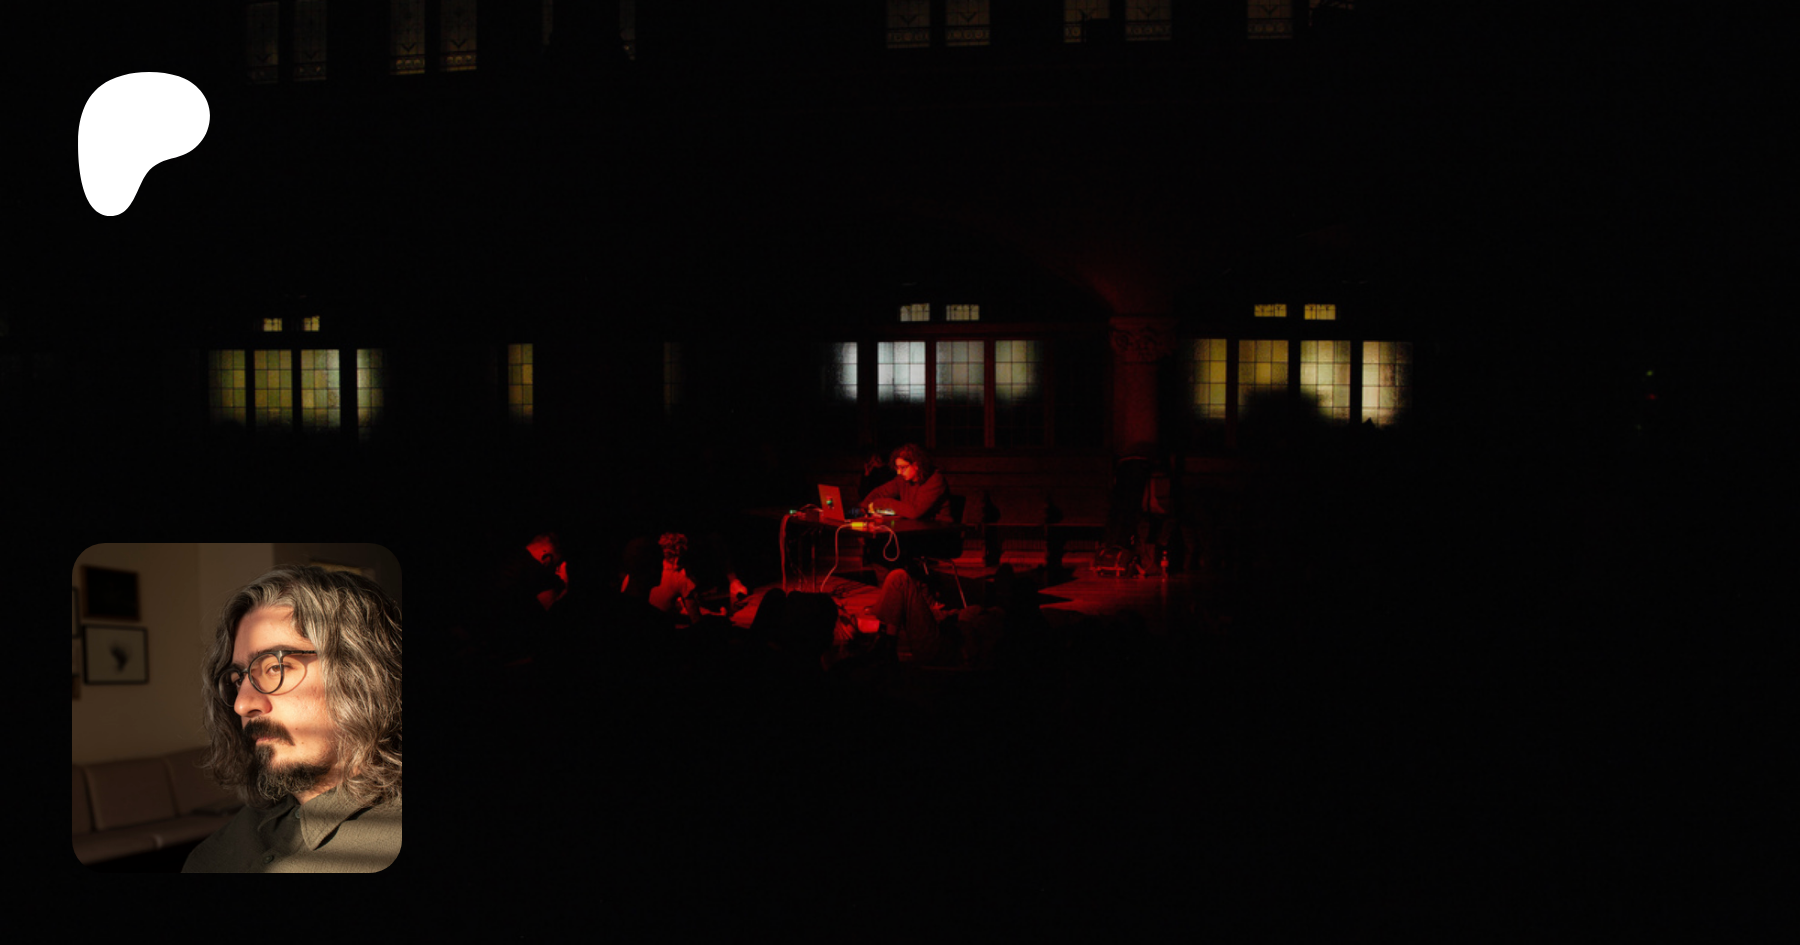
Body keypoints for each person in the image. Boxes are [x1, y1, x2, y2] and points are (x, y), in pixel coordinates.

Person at [185, 565, 402, 873]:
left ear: (361, 672)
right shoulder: (215, 855)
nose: (243, 704)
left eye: (275, 667)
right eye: (238, 679)